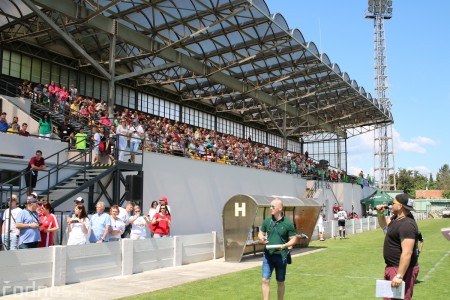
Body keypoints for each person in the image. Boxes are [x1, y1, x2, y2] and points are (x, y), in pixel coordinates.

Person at [376, 193, 419, 300]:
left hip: (400, 269)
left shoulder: (407, 224)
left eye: (393, 203)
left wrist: (399, 275)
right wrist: (380, 214)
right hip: (392, 267)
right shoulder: (397, 218)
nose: (391, 205)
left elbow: (407, 252)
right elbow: (384, 226)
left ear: (400, 206)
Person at [257, 198, 297, 300]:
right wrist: (261, 238)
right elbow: (261, 233)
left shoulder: (288, 223)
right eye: (270, 206)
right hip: (268, 256)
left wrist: (284, 246)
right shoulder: (267, 221)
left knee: (280, 282)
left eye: (273, 207)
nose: (270, 208)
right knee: (265, 280)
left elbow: (293, 239)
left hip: (281, 256)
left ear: (280, 208)